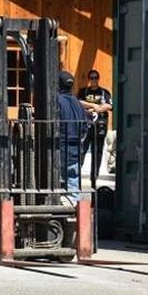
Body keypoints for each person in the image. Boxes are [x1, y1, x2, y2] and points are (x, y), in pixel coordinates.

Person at [78, 69, 112, 185]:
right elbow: (79, 103)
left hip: (100, 127)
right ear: (88, 79)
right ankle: (77, 175)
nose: (94, 80)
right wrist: (94, 106)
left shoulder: (104, 92)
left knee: (97, 152)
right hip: (86, 127)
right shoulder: (83, 91)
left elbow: (109, 105)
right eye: (92, 78)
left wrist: (94, 109)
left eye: (96, 78)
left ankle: (94, 177)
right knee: (82, 150)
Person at [57, 70, 85, 201]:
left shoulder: (56, 101)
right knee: (73, 178)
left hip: (61, 146)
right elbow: (85, 125)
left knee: (58, 178)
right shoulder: (77, 102)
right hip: (76, 146)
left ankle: (66, 204)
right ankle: (75, 204)